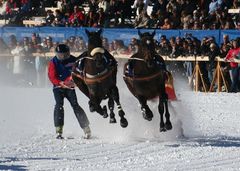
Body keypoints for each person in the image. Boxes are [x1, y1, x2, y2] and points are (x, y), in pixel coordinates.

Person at [48, 44, 91, 139]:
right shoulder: (53, 62)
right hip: (58, 87)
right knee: (59, 105)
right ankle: (58, 130)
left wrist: (74, 80)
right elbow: (52, 76)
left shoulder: (73, 60)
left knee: (75, 105)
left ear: (68, 54)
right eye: (60, 55)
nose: (62, 57)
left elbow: (79, 71)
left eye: (64, 55)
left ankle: (86, 128)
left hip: (70, 87)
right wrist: (60, 83)